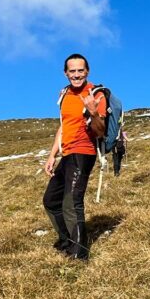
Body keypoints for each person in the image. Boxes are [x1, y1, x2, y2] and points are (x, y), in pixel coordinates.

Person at [43, 53, 106, 260]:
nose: (77, 75)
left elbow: (100, 132)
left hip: (83, 152)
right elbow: (64, 125)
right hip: (67, 153)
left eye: (80, 70)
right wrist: (52, 155)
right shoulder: (65, 94)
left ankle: (80, 254)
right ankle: (66, 242)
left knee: (72, 203)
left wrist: (93, 112)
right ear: (65, 73)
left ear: (87, 71)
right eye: (72, 71)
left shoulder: (96, 95)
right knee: (51, 200)